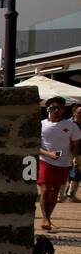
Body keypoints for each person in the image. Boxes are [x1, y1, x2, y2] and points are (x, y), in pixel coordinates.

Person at [38, 97, 81, 231]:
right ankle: (45, 218)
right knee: (45, 189)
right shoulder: (41, 124)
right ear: (48, 109)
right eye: (53, 108)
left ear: (63, 110)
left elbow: (75, 145)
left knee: (55, 191)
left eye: (59, 108)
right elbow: (35, 145)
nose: (56, 111)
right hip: (44, 160)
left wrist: (75, 158)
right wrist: (48, 154)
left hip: (63, 162)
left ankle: (48, 218)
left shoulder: (71, 126)